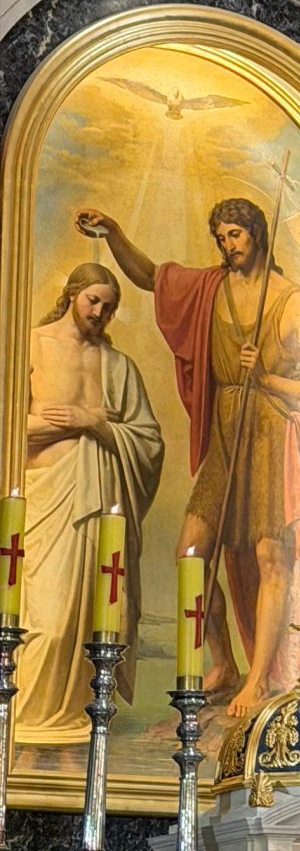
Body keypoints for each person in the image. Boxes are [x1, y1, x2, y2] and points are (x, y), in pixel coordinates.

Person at [77, 196, 300, 721]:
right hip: (226, 437)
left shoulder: (295, 303)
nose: (227, 246)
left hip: (272, 438)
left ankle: (259, 681)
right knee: (191, 553)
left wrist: (265, 376)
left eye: (235, 235)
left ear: (257, 233)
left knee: (271, 558)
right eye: (220, 237)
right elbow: (152, 278)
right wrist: (115, 233)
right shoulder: (210, 288)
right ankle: (224, 662)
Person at [15, 262, 164, 748]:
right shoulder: (31, 346)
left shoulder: (119, 367)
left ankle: (76, 717)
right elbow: (10, 426)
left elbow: (148, 441)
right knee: (48, 619)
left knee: (88, 618)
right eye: (93, 300)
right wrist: (70, 423)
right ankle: (24, 716)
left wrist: (94, 422)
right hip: (46, 499)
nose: (99, 312)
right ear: (71, 294)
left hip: (99, 500)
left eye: (109, 306)